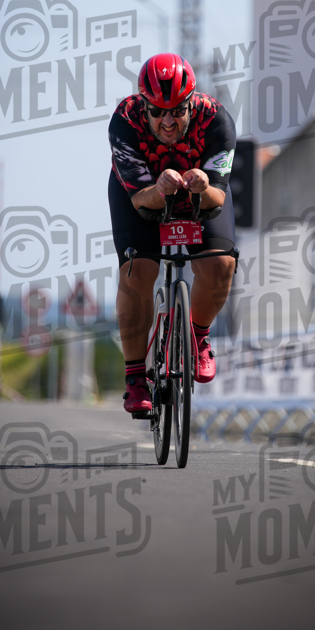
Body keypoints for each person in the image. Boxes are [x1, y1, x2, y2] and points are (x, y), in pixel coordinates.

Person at [108, 52, 237, 415]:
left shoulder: (217, 120)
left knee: (221, 263)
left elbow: (217, 198)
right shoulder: (125, 120)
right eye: (157, 111)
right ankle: (136, 377)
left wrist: (203, 184)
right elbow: (140, 200)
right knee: (137, 271)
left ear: (192, 103)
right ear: (143, 105)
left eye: (178, 110)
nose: (167, 121)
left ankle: (198, 335)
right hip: (143, 194)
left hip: (201, 191)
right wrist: (160, 187)